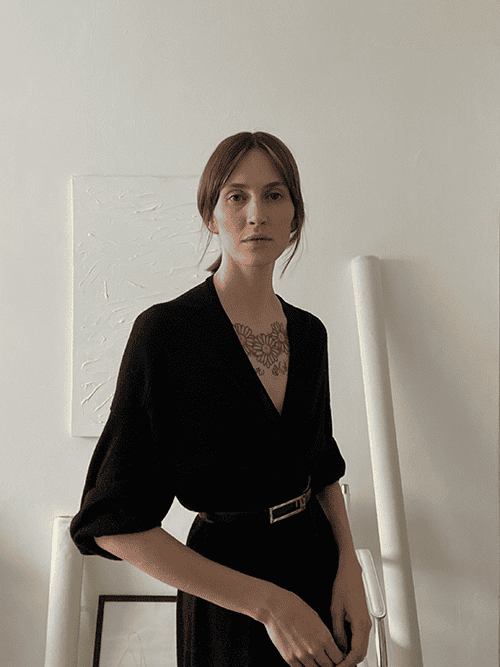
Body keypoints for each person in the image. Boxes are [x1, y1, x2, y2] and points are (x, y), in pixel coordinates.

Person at [70, 131, 372, 666]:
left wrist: (350, 569)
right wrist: (269, 605)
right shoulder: (165, 335)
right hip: (229, 595)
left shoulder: (309, 334)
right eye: (237, 196)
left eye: (274, 195)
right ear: (211, 215)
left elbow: (322, 465)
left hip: (317, 568)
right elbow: (113, 523)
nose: (256, 214)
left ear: (295, 215)